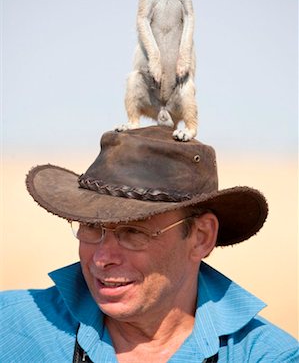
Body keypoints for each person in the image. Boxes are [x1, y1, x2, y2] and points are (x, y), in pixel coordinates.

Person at [1, 126, 298, 362]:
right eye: (92, 227)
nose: (102, 258)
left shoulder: (268, 356)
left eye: (133, 232)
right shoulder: (11, 325)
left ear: (201, 237)